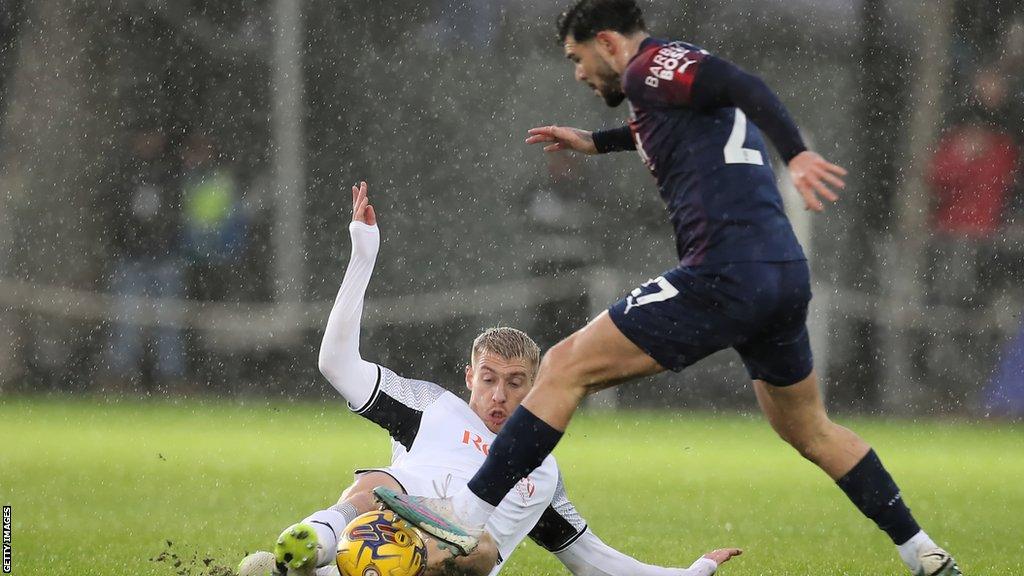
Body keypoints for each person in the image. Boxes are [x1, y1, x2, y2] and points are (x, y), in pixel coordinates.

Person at [375, 2, 961, 576]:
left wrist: (798, 152)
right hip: (781, 274)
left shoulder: (647, 67)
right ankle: (922, 552)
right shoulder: (666, 91)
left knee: (562, 366)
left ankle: (465, 517)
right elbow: (672, 124)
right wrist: (598, 142)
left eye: (578, 59)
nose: (579, 74)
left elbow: (743, 83)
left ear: (607, 42)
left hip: (722, 273)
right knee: (810, 430)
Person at [237, 182, 741, 576]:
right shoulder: (430, 407)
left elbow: (593, 562)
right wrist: (363, 253)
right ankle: (311, 543)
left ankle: (325, 563)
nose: (499, 395)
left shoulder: (539, 471)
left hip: (452, 558)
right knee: (375, 485)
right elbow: (336, 364)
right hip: (387, 523)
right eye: (489, 379)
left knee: (477, 548)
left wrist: (692, 570)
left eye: (516, 382)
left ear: (537, 384)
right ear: (468, 378)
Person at [105, 127, 186, 392]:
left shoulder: (168, 175)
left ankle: (170, 379)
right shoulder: (126, 174)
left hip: (164, 259)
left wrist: (163, 244)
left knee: (169, 323)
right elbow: (115, 215)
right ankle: (121, 377)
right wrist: (130, 244)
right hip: (132, 259)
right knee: (126, 322)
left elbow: (175, 215)